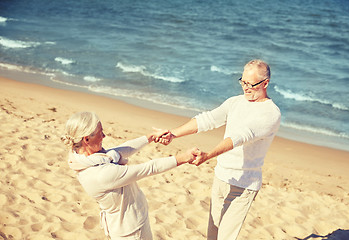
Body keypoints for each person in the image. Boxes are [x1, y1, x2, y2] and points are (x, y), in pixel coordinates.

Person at [156, 59, 281, 240]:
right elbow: (208, 119)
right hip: (221, 177)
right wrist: (173, 134)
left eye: (251, 84)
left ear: (265, 83)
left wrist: (208, 155)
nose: (245, 88)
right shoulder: (235, 102)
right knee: (212, 236)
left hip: (243, 186)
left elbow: (240, 137)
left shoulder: (271, 113)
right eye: (243, 82)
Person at [61, 111, 199, 240]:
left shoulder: (83, 157)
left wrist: (151, 137)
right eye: (100, 133)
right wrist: (184, 157)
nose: (104, 136)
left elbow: (119, 151)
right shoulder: (101, 174)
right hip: (131, 231)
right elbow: (149, 168)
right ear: (86, 139)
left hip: (128, 224)